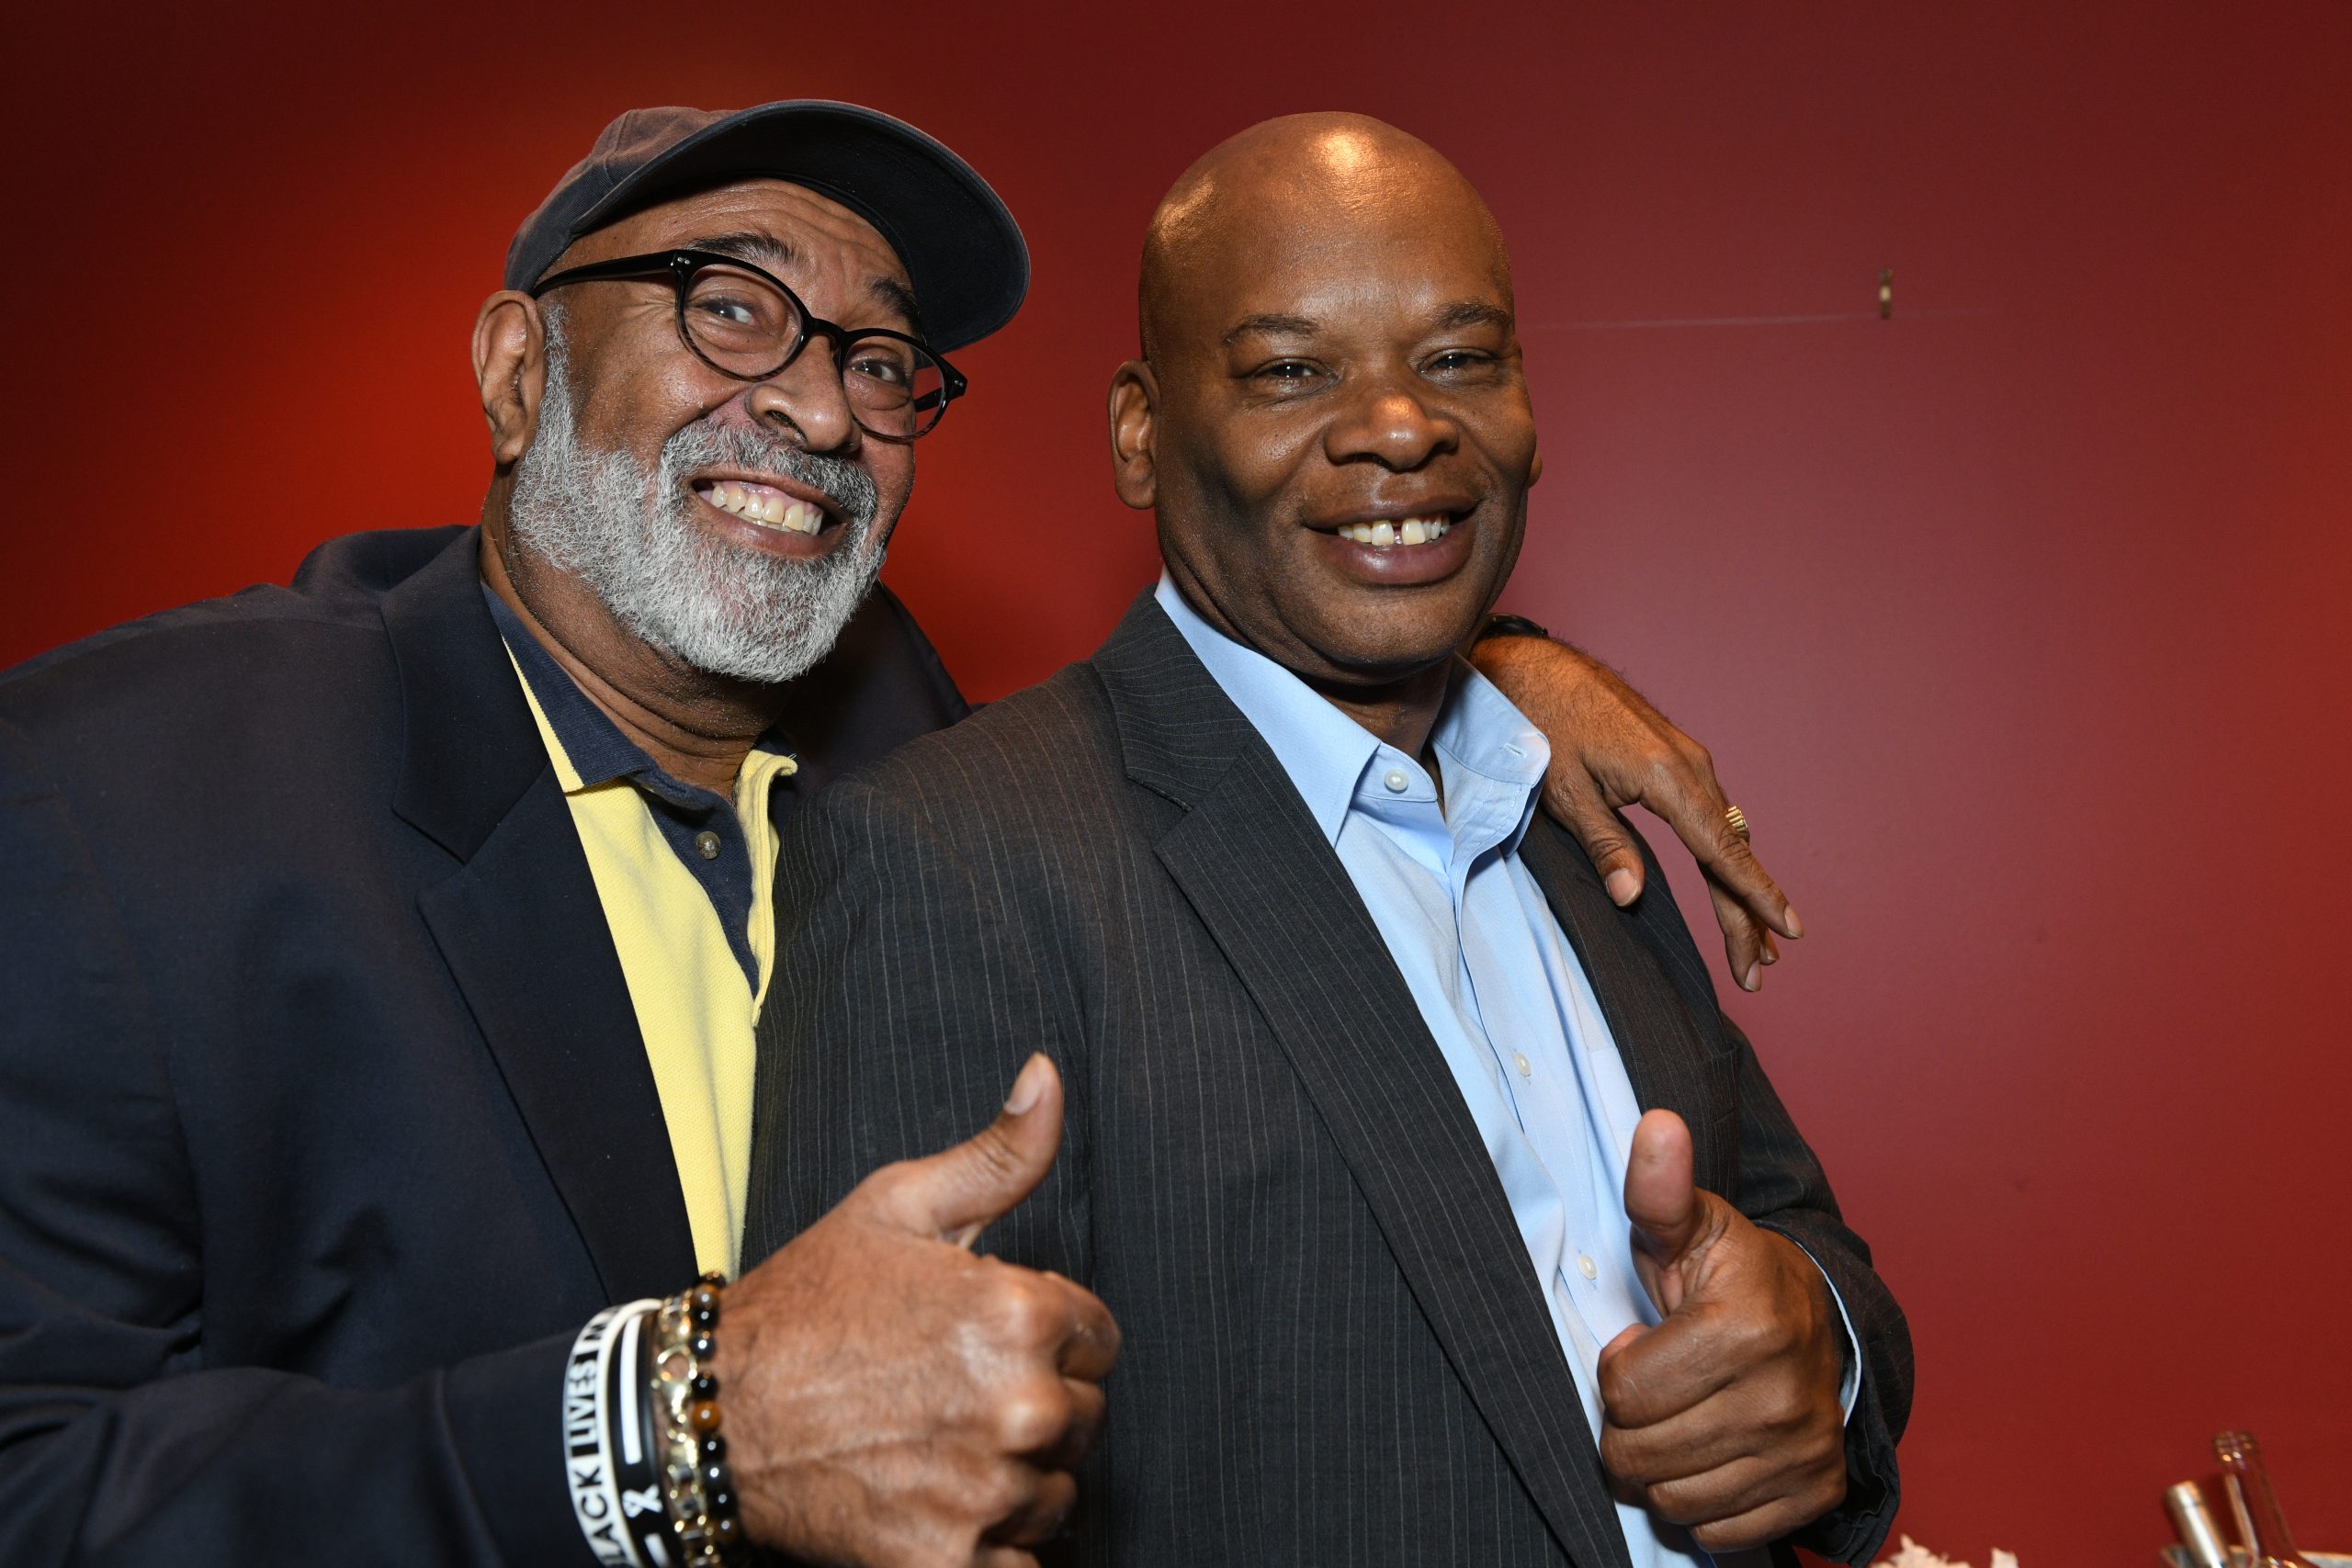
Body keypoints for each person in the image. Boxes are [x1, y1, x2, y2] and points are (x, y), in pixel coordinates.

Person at [0, 100, 1797, 1568]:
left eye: (879, 359)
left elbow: (1250, 684)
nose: (811, 403)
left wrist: (1488, 669)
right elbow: (35, 1474)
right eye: (726, 302)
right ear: (512, 369)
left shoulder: (915, 749)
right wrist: (668, 1428)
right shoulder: (141, 788)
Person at [746, 114, 1911, 1568]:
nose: (1401, 424)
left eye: (1461, 359)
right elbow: (886, 1497)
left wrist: (1818, 1350)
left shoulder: (1568, 807)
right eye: (1292, 371)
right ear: (1141, 432)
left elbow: (1807, 1245)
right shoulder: (956, 862)